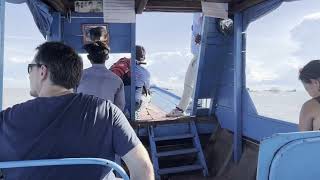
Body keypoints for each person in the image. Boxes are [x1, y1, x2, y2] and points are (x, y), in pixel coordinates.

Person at [0, 42, 154, 180]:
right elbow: (143, 168)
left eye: (30, 68)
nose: (28, 75)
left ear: (42, 71)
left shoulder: (5, 119)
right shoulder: (109, 111)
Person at [166, 13, 203, 117]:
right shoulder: (198, 16)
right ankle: (185, 106)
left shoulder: (202, 16)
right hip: (197, 54)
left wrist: (203, 38)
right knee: (189, 83)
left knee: (188, 83)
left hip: (200, 55)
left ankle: (181, 109)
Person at [77, 41, 125, 111]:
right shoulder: (117, 80)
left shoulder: (78, 76)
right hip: (106, 120)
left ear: (88, 57)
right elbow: (120, 106)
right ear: (107, 57)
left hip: (82, 118)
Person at [110, 45, 151, 114]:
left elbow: (112, 77)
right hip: (135, 105)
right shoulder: (145, 73)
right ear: (143, 57)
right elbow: (146, 90)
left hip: (116, 104)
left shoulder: (123, 62)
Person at [299, 60, 320, 131]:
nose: (309, 94)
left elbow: (303, 140)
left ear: (315, 82)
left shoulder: (310, 106)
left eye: (306, 88)